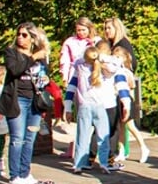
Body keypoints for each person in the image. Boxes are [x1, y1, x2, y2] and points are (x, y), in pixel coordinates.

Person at [0, 22, 51, 184]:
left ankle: (25, 173)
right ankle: (14, 177)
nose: (20, 38)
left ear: (32, 38)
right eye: (19, 34)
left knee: (30, 139)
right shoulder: (11, 53)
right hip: (17, 100)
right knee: (17, 139)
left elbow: (44, 74)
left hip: (34, 101)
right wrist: (33, 58)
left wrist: (46, 79)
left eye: (24, 35)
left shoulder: (39, 56)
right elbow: (15, 70)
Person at [101, 18, 149, 164]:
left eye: (109, 28)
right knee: (120, 123)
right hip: (115, 92)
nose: (106, 31)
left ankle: (143, 147)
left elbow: (129, 65)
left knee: (129, 124)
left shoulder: (122, 45)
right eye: (105, 28)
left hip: (123, 91)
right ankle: (121, 150)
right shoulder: (111, 44)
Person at [69, 43, 116, 175]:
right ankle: (104, 163)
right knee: (103, 136)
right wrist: (101, 58)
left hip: (84, 105)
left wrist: (91, 55)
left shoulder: (81, 66)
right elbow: (116, 65)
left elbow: (77, 59)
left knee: (82, 136)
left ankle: (78, 164)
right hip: (99, 106)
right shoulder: (103, 69)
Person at [58, 17, 99, 126]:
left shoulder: (96, 41)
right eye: (78, 30)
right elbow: (65, 60)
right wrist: (65, 77)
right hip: (76, 73)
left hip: (92, 74)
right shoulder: (70, 42)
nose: (81, 33)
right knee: (80, 102)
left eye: (83, 30)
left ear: (89, 29)